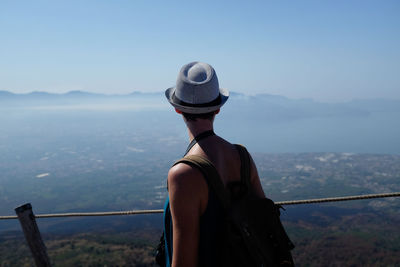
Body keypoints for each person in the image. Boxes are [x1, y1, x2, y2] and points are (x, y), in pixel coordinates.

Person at [163, 62, 265, 267]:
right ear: (218, 109)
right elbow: (264, 222)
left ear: (177, 110)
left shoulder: (183, 174)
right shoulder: (243, 158)